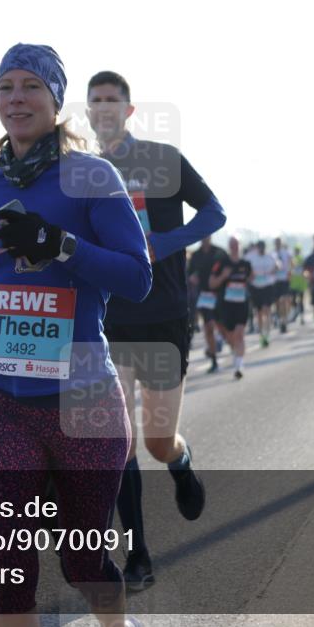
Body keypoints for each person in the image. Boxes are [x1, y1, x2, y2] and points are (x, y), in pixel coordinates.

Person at [0, 45, 151, 627]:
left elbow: (137, 276)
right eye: (6, 87)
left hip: (84, 402)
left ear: (55, 99)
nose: (15, 99)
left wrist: (59, 245)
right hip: (5, 402)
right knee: (7, 570)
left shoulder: (92, 175)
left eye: (30, 87)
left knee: (82, 563)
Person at [88, 70, 223, 590]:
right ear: (88, 112)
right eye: (95, 100)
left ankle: (180, 463)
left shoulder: (162, 159)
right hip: (109, 320)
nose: (103, 107)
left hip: (164, 315)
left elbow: (214, 212)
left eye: (112, 99)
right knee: (118, 442)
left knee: (157, 440)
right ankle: (138, 553)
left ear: (128, 110)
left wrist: (165, 244)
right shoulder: (81, 170)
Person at [209, 236, 253, 378]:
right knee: (230, 336)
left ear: (240, 246)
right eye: (232, 244)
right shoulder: (221, 263)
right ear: (229, 246)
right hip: (226, 305)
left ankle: (239, 366)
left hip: (242, 303)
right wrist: (223, 276)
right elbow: (212, 283)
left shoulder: (246, 264)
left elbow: (251, 277)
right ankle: (236, 353)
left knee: (239, 334)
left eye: (236, 244)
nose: (234, 247)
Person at [187, 237, 226, 373]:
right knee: (208, 327)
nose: (205, 238)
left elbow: (229, 270)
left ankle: (220, 340)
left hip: (220, 295)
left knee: (222, 326)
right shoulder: (196, 256)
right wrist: (192, 278)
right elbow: (190, 273)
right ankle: (214, 360)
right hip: (204, 296)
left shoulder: (220, 252)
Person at [245, 240, 278, 348]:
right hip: (256, 287)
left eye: (263, 247)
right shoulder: (251, 257)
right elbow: (245, 269)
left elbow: (277, 265)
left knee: (267, 310)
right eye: (259, 247)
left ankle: (267, 334)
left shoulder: (270, 256)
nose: (261, 249)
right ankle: (261, 335)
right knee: (259, 312)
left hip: (267, 286)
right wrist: (250, 276)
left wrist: (274, 270)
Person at [272, 238, 293, 334]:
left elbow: (291, 263)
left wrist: (290, 272)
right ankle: (281, 320)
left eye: (279, 243)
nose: (278, 244)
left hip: (285, 280)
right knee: (278, 303)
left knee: (284, 300)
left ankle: (284, 320)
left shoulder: (286, 253)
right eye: (276, 243)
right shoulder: (272, 254)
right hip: (276, 281)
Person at [289, 245, 307, 324]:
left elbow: (305, 270)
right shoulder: (292, 258)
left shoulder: (302, 259)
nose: (296, 251)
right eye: (296, 250)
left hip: (301, 283)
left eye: (297, 250)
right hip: (294, 283)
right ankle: (296, 314)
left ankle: (301, 317)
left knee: (300, 301)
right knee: (294, 300)